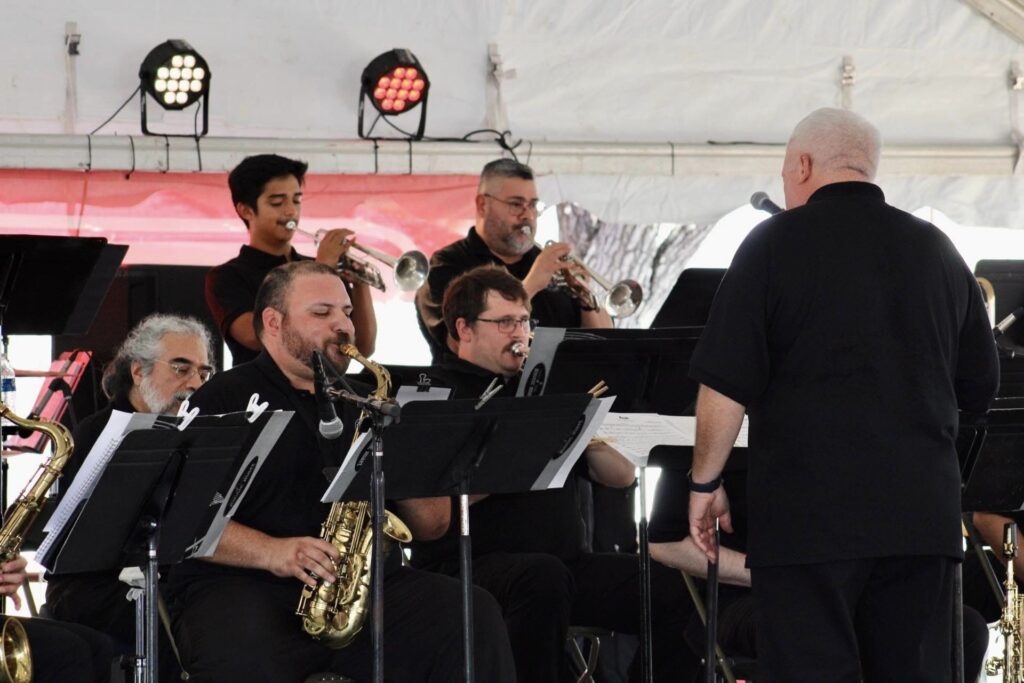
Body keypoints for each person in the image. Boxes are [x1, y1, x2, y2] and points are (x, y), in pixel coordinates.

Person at [686, 107, 1000, 681]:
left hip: (809, 523)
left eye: (785, 172)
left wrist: (705, 482)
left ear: (803, 164)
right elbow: (980, 387)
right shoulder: (938, 249)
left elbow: (725, 384)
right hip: (920, 522)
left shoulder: (770, 245)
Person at [169, 260, 514, 682]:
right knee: (248, 656)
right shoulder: (222, 397)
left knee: (469, 613)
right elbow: (179, 520)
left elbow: (430, 525)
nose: (343, 326)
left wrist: (407, 450)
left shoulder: (368, 399)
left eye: (346, 313)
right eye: (322, 313)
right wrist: (274, 552)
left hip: (360, 587)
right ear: (274, 323)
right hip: (245, 583)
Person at [410, 264, 699, 683]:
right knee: (541, 578)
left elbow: (617, 477)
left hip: (564, 566)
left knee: (678, 588)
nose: (520, 333)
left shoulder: (543, 386)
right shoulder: (439, 393)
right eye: (506, 322)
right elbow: (430, 511)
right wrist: (525, 448)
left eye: (525, 321)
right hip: (469, 568)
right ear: (465, 328)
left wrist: (589, 421)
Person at [415, 158, 631, 556]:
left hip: (551, 410)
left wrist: (585, 294)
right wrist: (533, 283)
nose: (526, 215)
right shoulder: (449, 264)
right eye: (516, 204)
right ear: (483, 204)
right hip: (476, 409)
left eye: (533, 205)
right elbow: (450, 338)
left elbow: (602, 346)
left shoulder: (546, 266)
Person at [649, 466, 991, 681]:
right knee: (818, 628)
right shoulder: (707, 428)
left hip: (847, 588)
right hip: (747, 597)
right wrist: (772, 574)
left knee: (964, 628)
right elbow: (664, 545)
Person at [45, 313, 214, 681]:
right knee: (195, 627)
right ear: (138, 371)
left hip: (160, 578)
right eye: (181, 368)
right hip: (92, 587)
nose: (195, 383)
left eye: (203, 372)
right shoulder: (96, 432)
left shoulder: (194, 435)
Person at [206, 153, 376, 365]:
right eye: (277, 202)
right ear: (246, 210)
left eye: (296, 200)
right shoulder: (227, 276)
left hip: (324, 391)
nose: (291, 211)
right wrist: (321, 268)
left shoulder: (321, 266)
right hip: (259, 394)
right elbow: (253, 336)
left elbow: (363, 347)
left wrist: (361, 283)